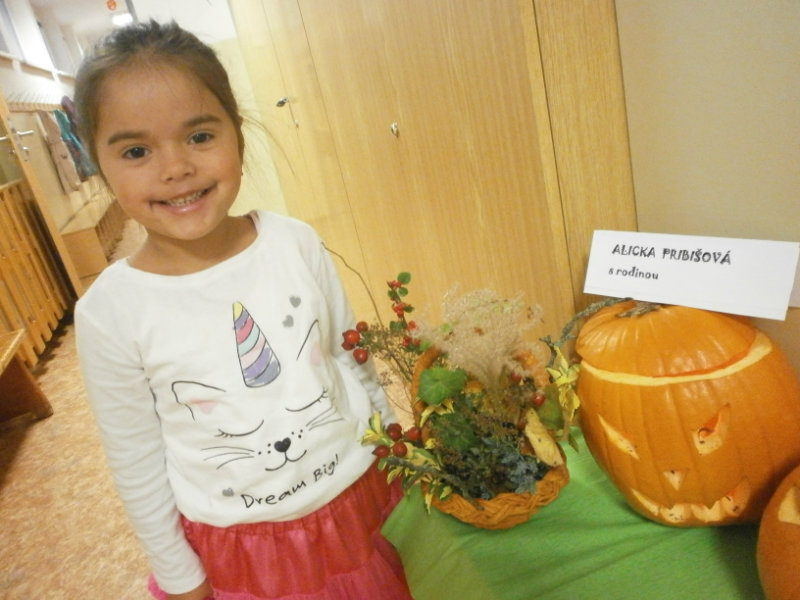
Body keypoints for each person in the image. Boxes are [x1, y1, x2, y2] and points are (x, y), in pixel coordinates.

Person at [73, 20, 412, 600]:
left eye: (200, 136)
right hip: (249, 555)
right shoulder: (109, 310)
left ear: (239, 134)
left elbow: (349, 357)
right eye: (136, 151)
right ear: (99, 167)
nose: (175, 168)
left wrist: (395, 453)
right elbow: (136, 458)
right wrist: (179, 575)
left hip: (363, 503)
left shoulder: (295, 242)